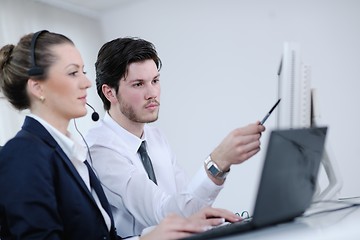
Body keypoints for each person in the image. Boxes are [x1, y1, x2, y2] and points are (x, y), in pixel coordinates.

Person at [0, 30, 241, 240]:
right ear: (38, 87)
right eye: (73, 73)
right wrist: (217, 162)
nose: (85, 82)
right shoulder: (23, 155)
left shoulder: (73, 153)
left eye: (83, 71)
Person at [85, 37, 266, 237]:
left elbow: (187, 205)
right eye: (138, 84)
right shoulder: (99, 150)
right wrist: (218, 162)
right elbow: (164, 217)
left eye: (155, 81)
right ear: (109, 92)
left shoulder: (155, 136)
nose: (152, 93)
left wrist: (216, 220)